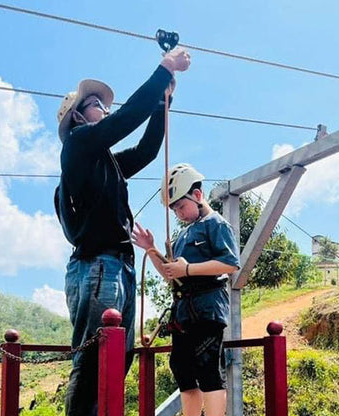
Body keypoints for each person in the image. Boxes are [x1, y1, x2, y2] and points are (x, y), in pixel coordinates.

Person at [54, 49, 190, 416]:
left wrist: (164, 103)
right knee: (95, 361)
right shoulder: (79, 145)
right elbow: (126, 120)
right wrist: (163, 72)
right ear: (78, 117)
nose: (105, 109)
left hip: (117, 267)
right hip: (98, 266)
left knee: (119, 359)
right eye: (97, 104)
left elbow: (146, 150)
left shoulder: (106, 162)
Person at [132, 163, 240, 416]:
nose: (178, 213)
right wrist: (151, 248)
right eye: (174, 209)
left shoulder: (217, 224)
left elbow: (230, 263)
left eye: (181, 206)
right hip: (183, 313)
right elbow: (171, 275)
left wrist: (188, 269)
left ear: (198, 196)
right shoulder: (182, 235)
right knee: (181, 368)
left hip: (207, 309)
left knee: (207, 368)